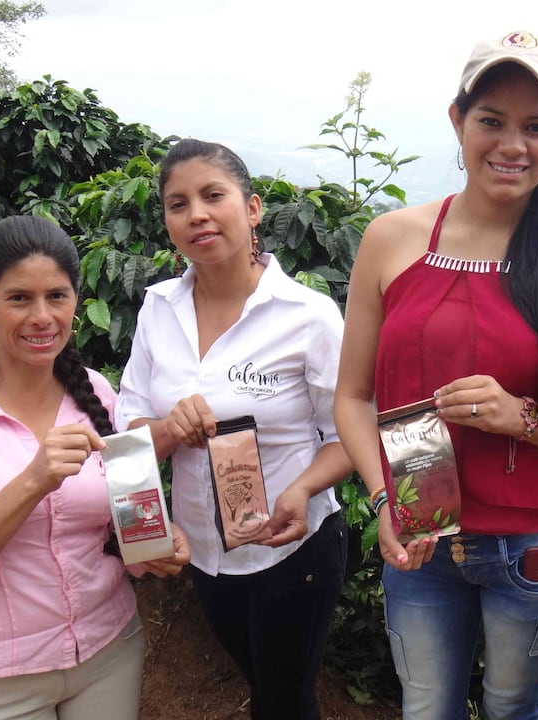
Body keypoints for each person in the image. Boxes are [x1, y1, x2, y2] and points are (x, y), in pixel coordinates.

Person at [333, 30, 538, 720]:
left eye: (534, 126)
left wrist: (524, 417)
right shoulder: (391, 238)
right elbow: (354, 396)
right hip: (422, 531)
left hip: (537, 544)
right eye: (491, 121)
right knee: (425, 707)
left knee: (512, 705)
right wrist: (385, 501)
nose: (512, 144)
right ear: (458, 120)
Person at [0, 215, 190, 720]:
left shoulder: (94, 390)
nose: (41, 316)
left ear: (76, 299)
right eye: (18, 298)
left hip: (109, 650)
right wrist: (32, 481)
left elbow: (123, 523)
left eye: (57, 296)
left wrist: (157, 546)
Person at [114, 138, 351, 720]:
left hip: (293, 548)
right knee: (258, 681)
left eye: (212, 195)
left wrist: (302, 489)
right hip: (202, 550)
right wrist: (170, 430)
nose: (195, 213)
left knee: (282, 700)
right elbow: (126, 438)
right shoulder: (156, 309)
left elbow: (350, 434)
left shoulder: (308, 315)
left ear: (252, 209)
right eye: (177, 203)